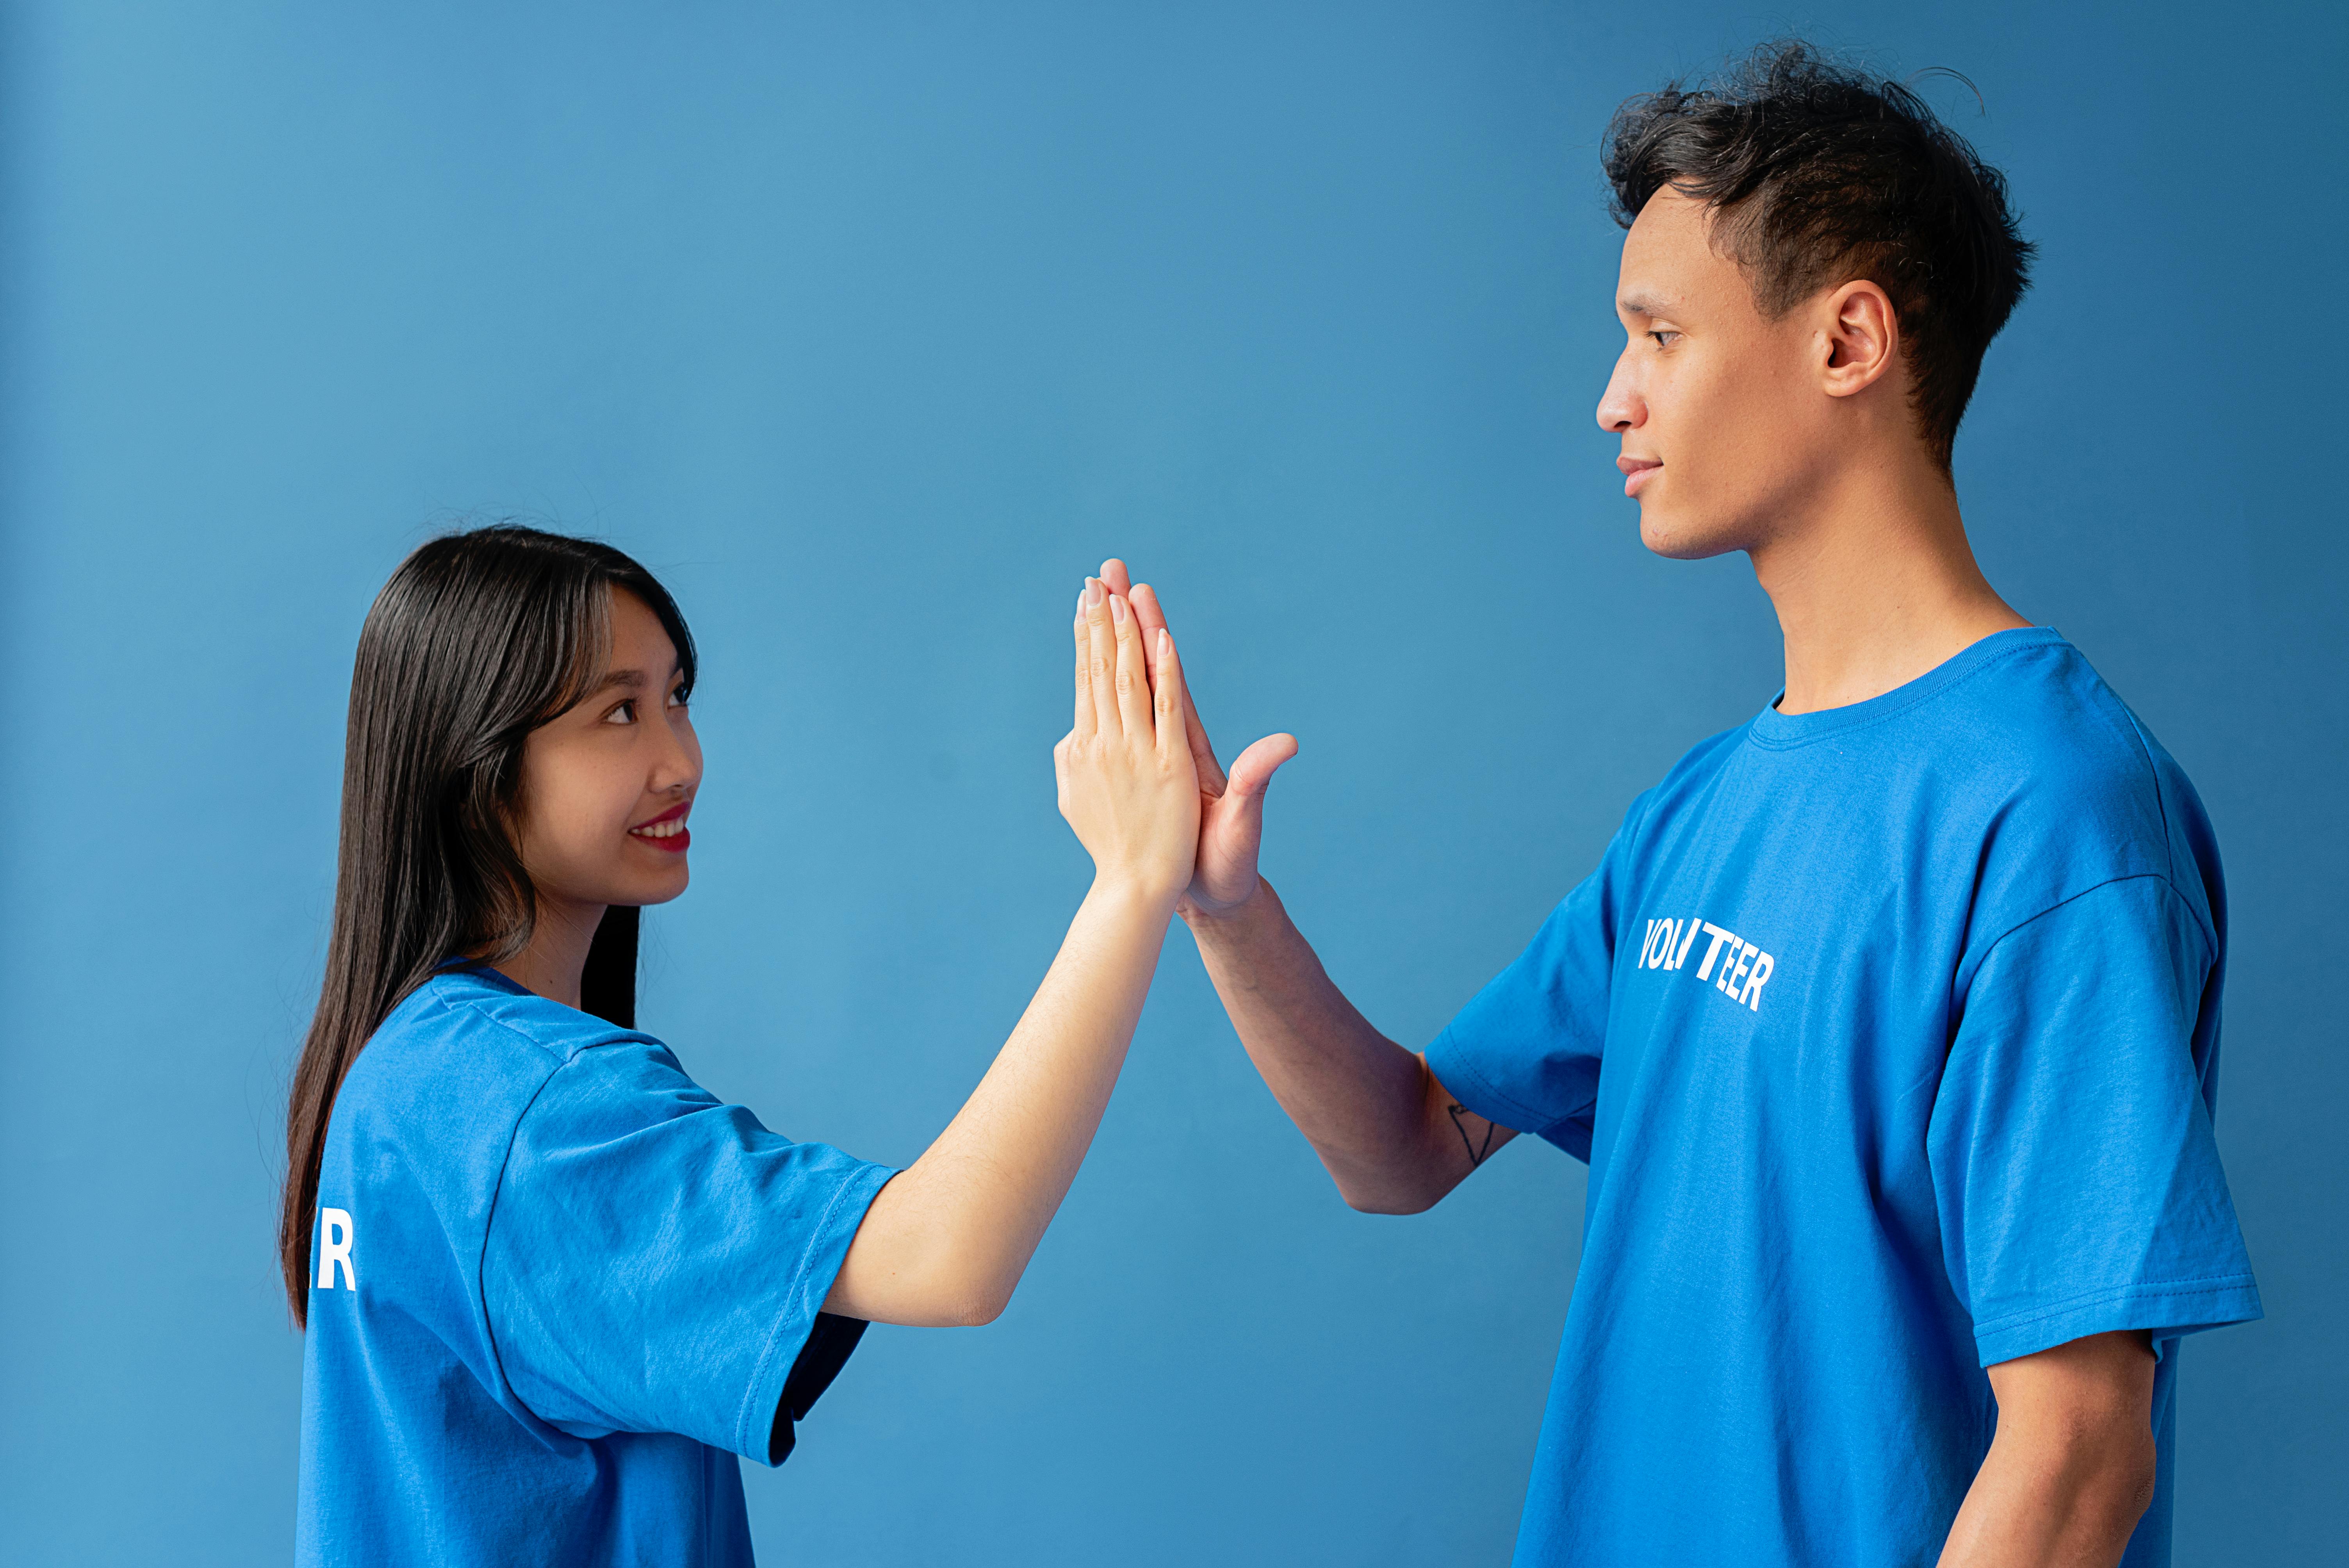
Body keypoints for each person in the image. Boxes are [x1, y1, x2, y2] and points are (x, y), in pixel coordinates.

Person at [1108, 41, 2260, 1568]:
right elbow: (1405, 1145)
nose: (1611, 399)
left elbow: (2077, 1447)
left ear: (1848, 339)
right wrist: (1222, 903)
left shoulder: (2054, 815)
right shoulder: (1702, 806)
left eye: (1658, 334)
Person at [283, 526, 1197, 1564]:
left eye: (678, 697)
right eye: (619, 712)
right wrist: (1133, 881)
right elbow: (953, 1257)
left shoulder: (409, 1077)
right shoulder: (535, 1110)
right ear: (479, 767)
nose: (683, 761)